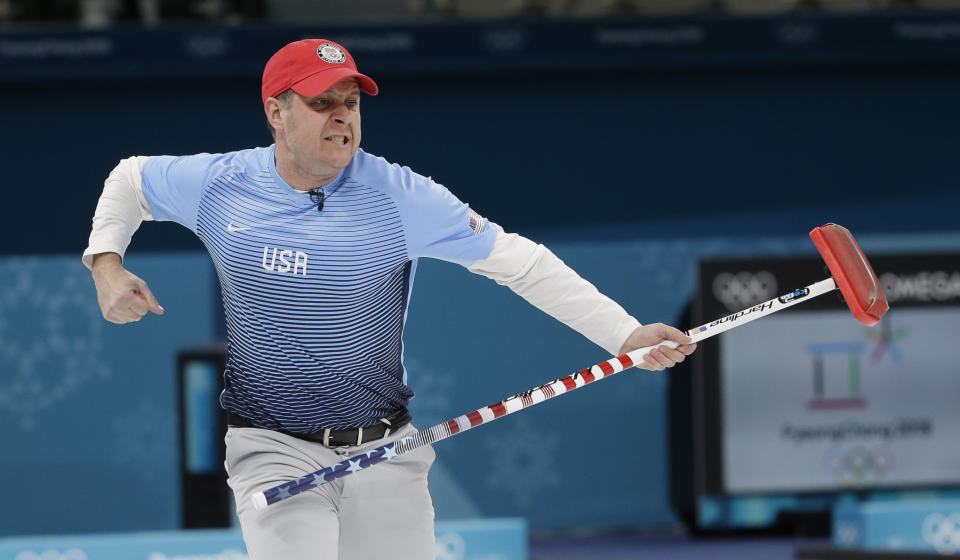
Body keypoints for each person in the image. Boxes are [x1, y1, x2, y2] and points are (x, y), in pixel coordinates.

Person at [83, 38, 696, 560]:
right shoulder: (221, 185)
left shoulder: (401, 196)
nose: (341, 117)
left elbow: (522, 265)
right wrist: (106, 266)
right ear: (276, 111)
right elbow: (129, 179)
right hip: (270, 447)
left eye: (349, 103)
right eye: (321, 102)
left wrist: (624, 335)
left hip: (384, 449)